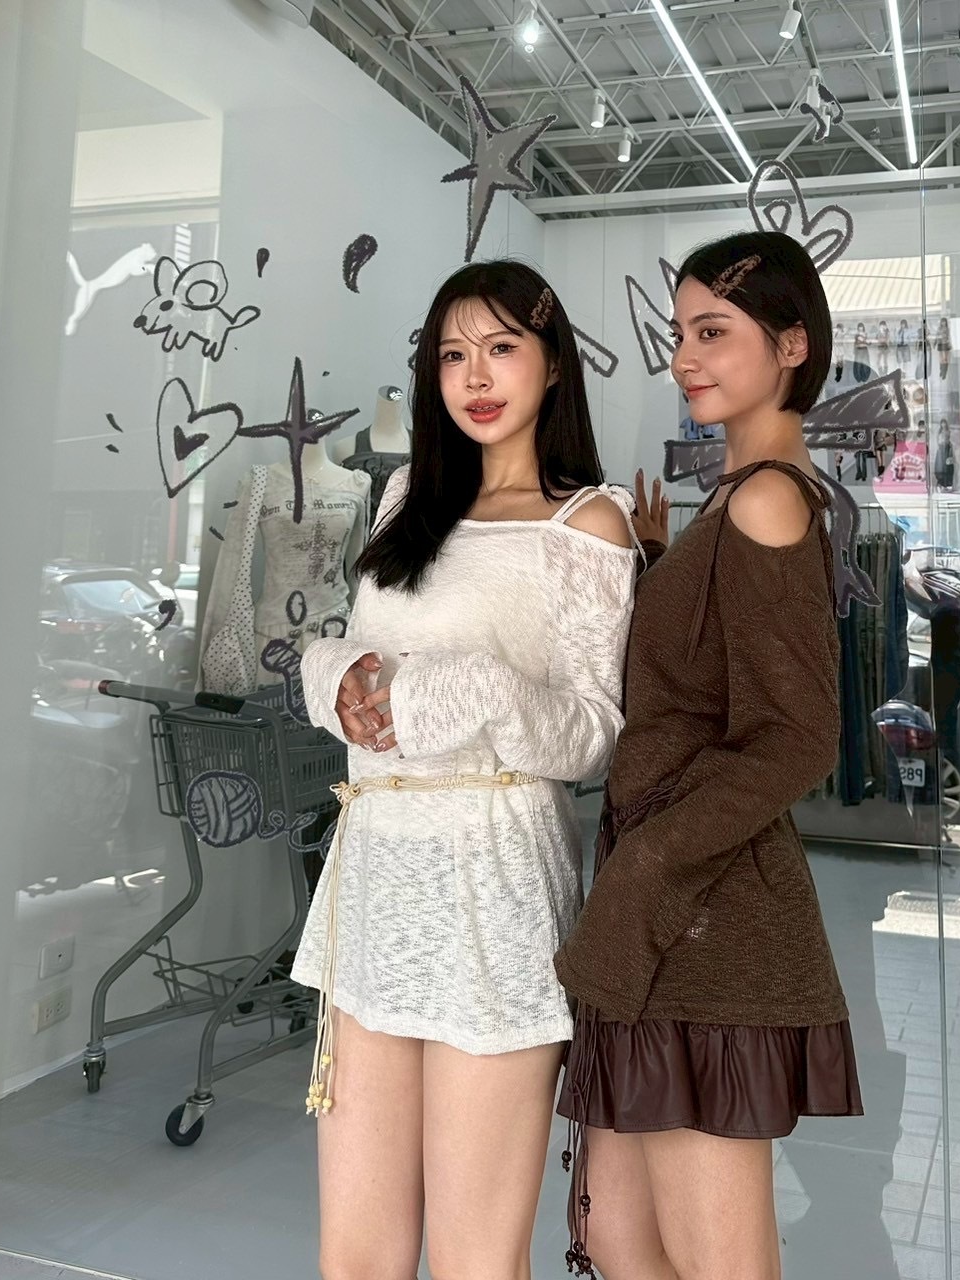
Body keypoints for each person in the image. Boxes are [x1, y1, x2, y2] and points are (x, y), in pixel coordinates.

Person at [293, 260, 641, 1280]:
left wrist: (476, 689)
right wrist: (340, 679)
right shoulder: (409, 495)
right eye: (452, 354)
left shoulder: (588, 521)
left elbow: (592, 733)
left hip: (493, 886)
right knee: (355, 1254)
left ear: (552, 364)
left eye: (500, 348)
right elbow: (365, 649)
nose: (475, 376)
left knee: (475, 1260)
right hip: (374, 877)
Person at [553, 230, 862, 1280]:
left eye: (713, 332)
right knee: (614, 1234)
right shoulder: (736, 499)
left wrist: (645, 864)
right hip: (665, 916)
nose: (684, 356)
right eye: (680, 332)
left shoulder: (767, 497)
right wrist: (656, 569)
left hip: (703, 917)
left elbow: (797, 735)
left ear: (791, 344)